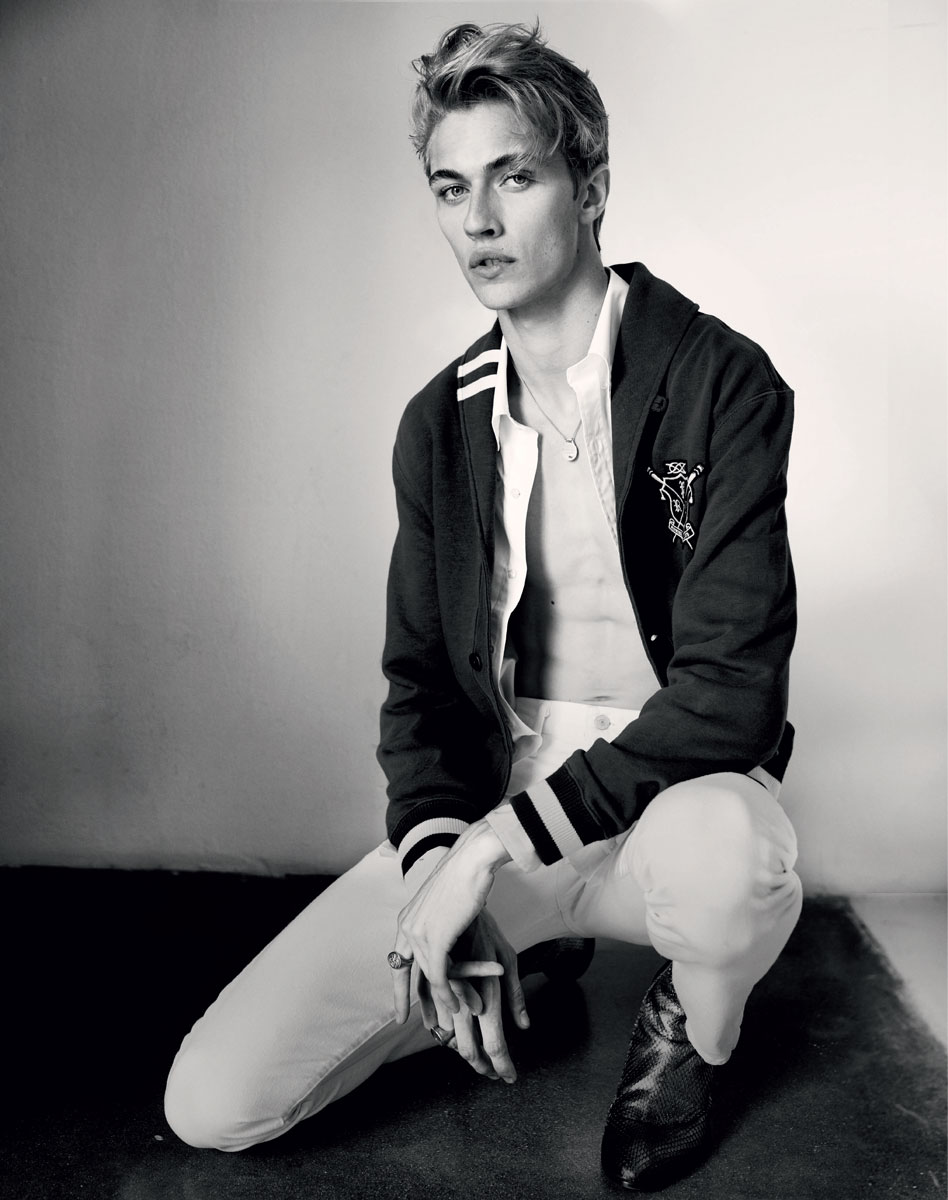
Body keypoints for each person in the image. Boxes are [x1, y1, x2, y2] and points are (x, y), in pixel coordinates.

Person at [164, 22, 803, 1192]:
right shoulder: (438, 425)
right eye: (452, 187)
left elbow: (732, 695)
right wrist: (438, 866)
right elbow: (420, 690)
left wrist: (488, 856)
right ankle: (528, 964)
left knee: (733, 864)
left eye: (515, 177)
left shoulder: (721, 381)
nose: (479, 221)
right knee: (214, 1103)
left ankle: (696, 1030)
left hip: (672, 808)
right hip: (509, 815)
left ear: (591, 187)